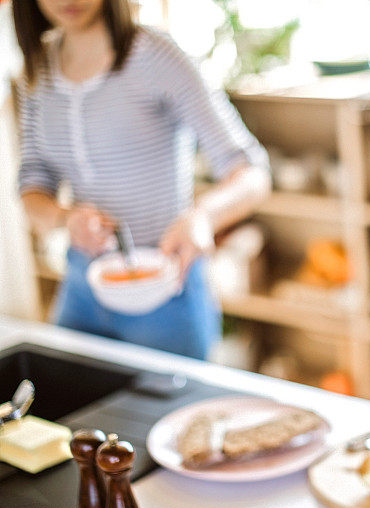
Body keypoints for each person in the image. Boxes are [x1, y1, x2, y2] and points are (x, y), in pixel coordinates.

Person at [13, 0, 270, 359]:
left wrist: (203, 217)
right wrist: (65, 218)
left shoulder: (156, 55)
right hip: (83, 286)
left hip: (166, 288)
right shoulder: (37, 69)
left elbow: (252, 173)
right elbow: (32, 183)